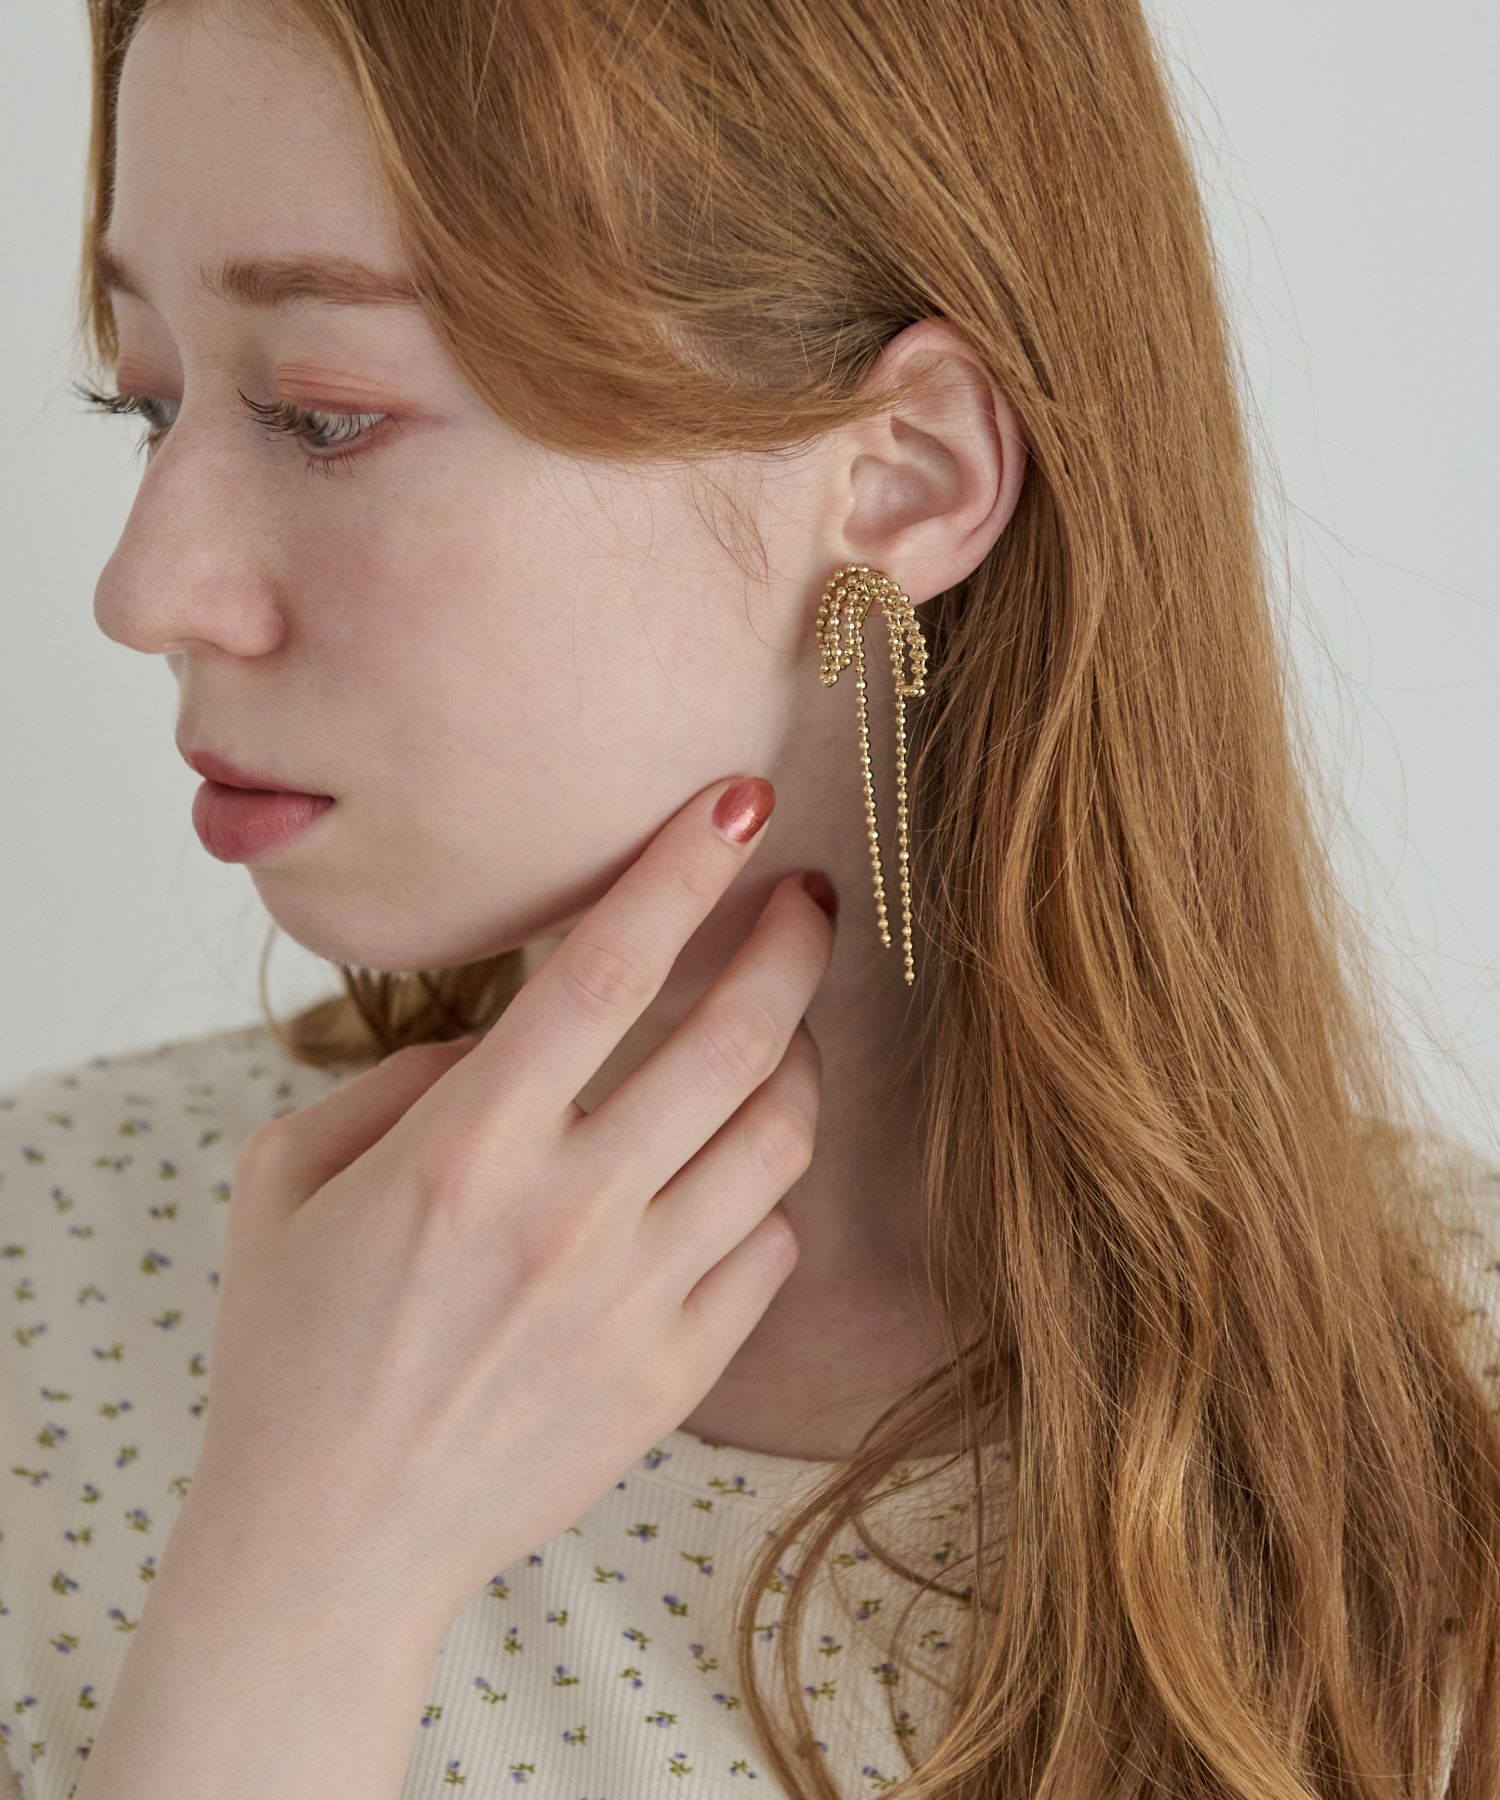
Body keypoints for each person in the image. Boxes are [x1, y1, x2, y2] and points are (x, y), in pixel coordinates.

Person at [3, 0, 1498, 1795]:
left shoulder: (1456, 1414)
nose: (146, 588)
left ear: (905, 475)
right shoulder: (37, 1279)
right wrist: (299, 1589)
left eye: (323, 415)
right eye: (147, 402)